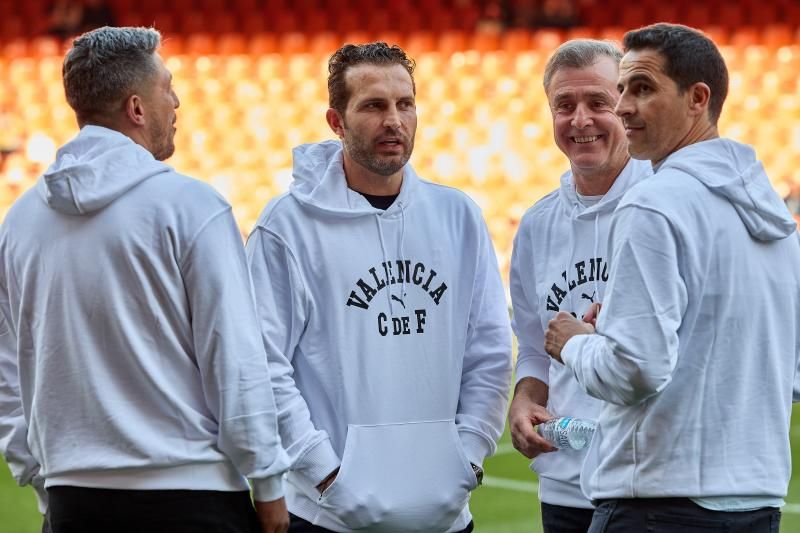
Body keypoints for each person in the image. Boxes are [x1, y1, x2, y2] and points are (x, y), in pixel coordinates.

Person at [0, 26, 290, 533]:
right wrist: (267, 485)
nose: (176, 102)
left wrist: (42, 478)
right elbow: (235, 359)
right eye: (168, 88)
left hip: (74, 500)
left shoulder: (20, 221)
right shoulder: (193, 206)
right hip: (194, 500)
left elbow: (8, 373)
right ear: (136, 108)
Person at [245, 42, 512, 533]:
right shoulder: (287, 228)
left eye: (404, 104)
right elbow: (264, 368)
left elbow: (490, 351)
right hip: (327, 518)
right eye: (373, 106)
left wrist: (469, 457)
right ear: (336, 121)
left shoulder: (458, 217)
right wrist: (325, 475)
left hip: (446, 516)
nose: (394, 120)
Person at [544, 23, 800, 532]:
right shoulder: (775, 218)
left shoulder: (654, 203)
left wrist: (574, 343)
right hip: (755, 502)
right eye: (621, 89)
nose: (622, 107)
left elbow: (636, 370)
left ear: (697, 98)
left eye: (642, 88)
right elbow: (787, 371)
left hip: (658, 502)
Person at [507, 39, 651, 533]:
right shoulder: (537, 224)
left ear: (627, 107)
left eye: (598, 102)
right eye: (564, 105)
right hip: (564, 483)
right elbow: (532, 347)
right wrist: (525, 397)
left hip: (648, 484)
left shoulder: (663, 206)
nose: (580, 119)